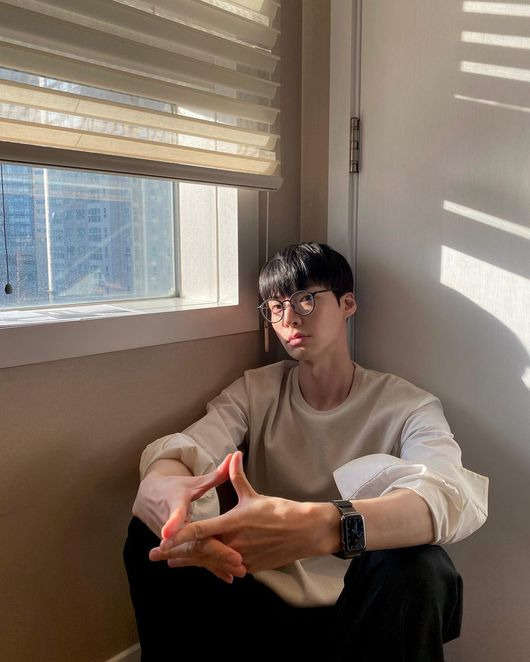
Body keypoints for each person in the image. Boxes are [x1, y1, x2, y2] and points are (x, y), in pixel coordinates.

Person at [123, 242, 489, 662]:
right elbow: (191, 446)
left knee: (423, 567)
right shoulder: (256, 390)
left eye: (305, 299)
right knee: (151, 536)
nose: (290, 318)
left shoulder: (408, 406)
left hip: (362, 607)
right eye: (276, 307)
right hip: (258, 594)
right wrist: (164, 488)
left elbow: (446, 494)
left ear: (347, 303)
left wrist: (322, 527)